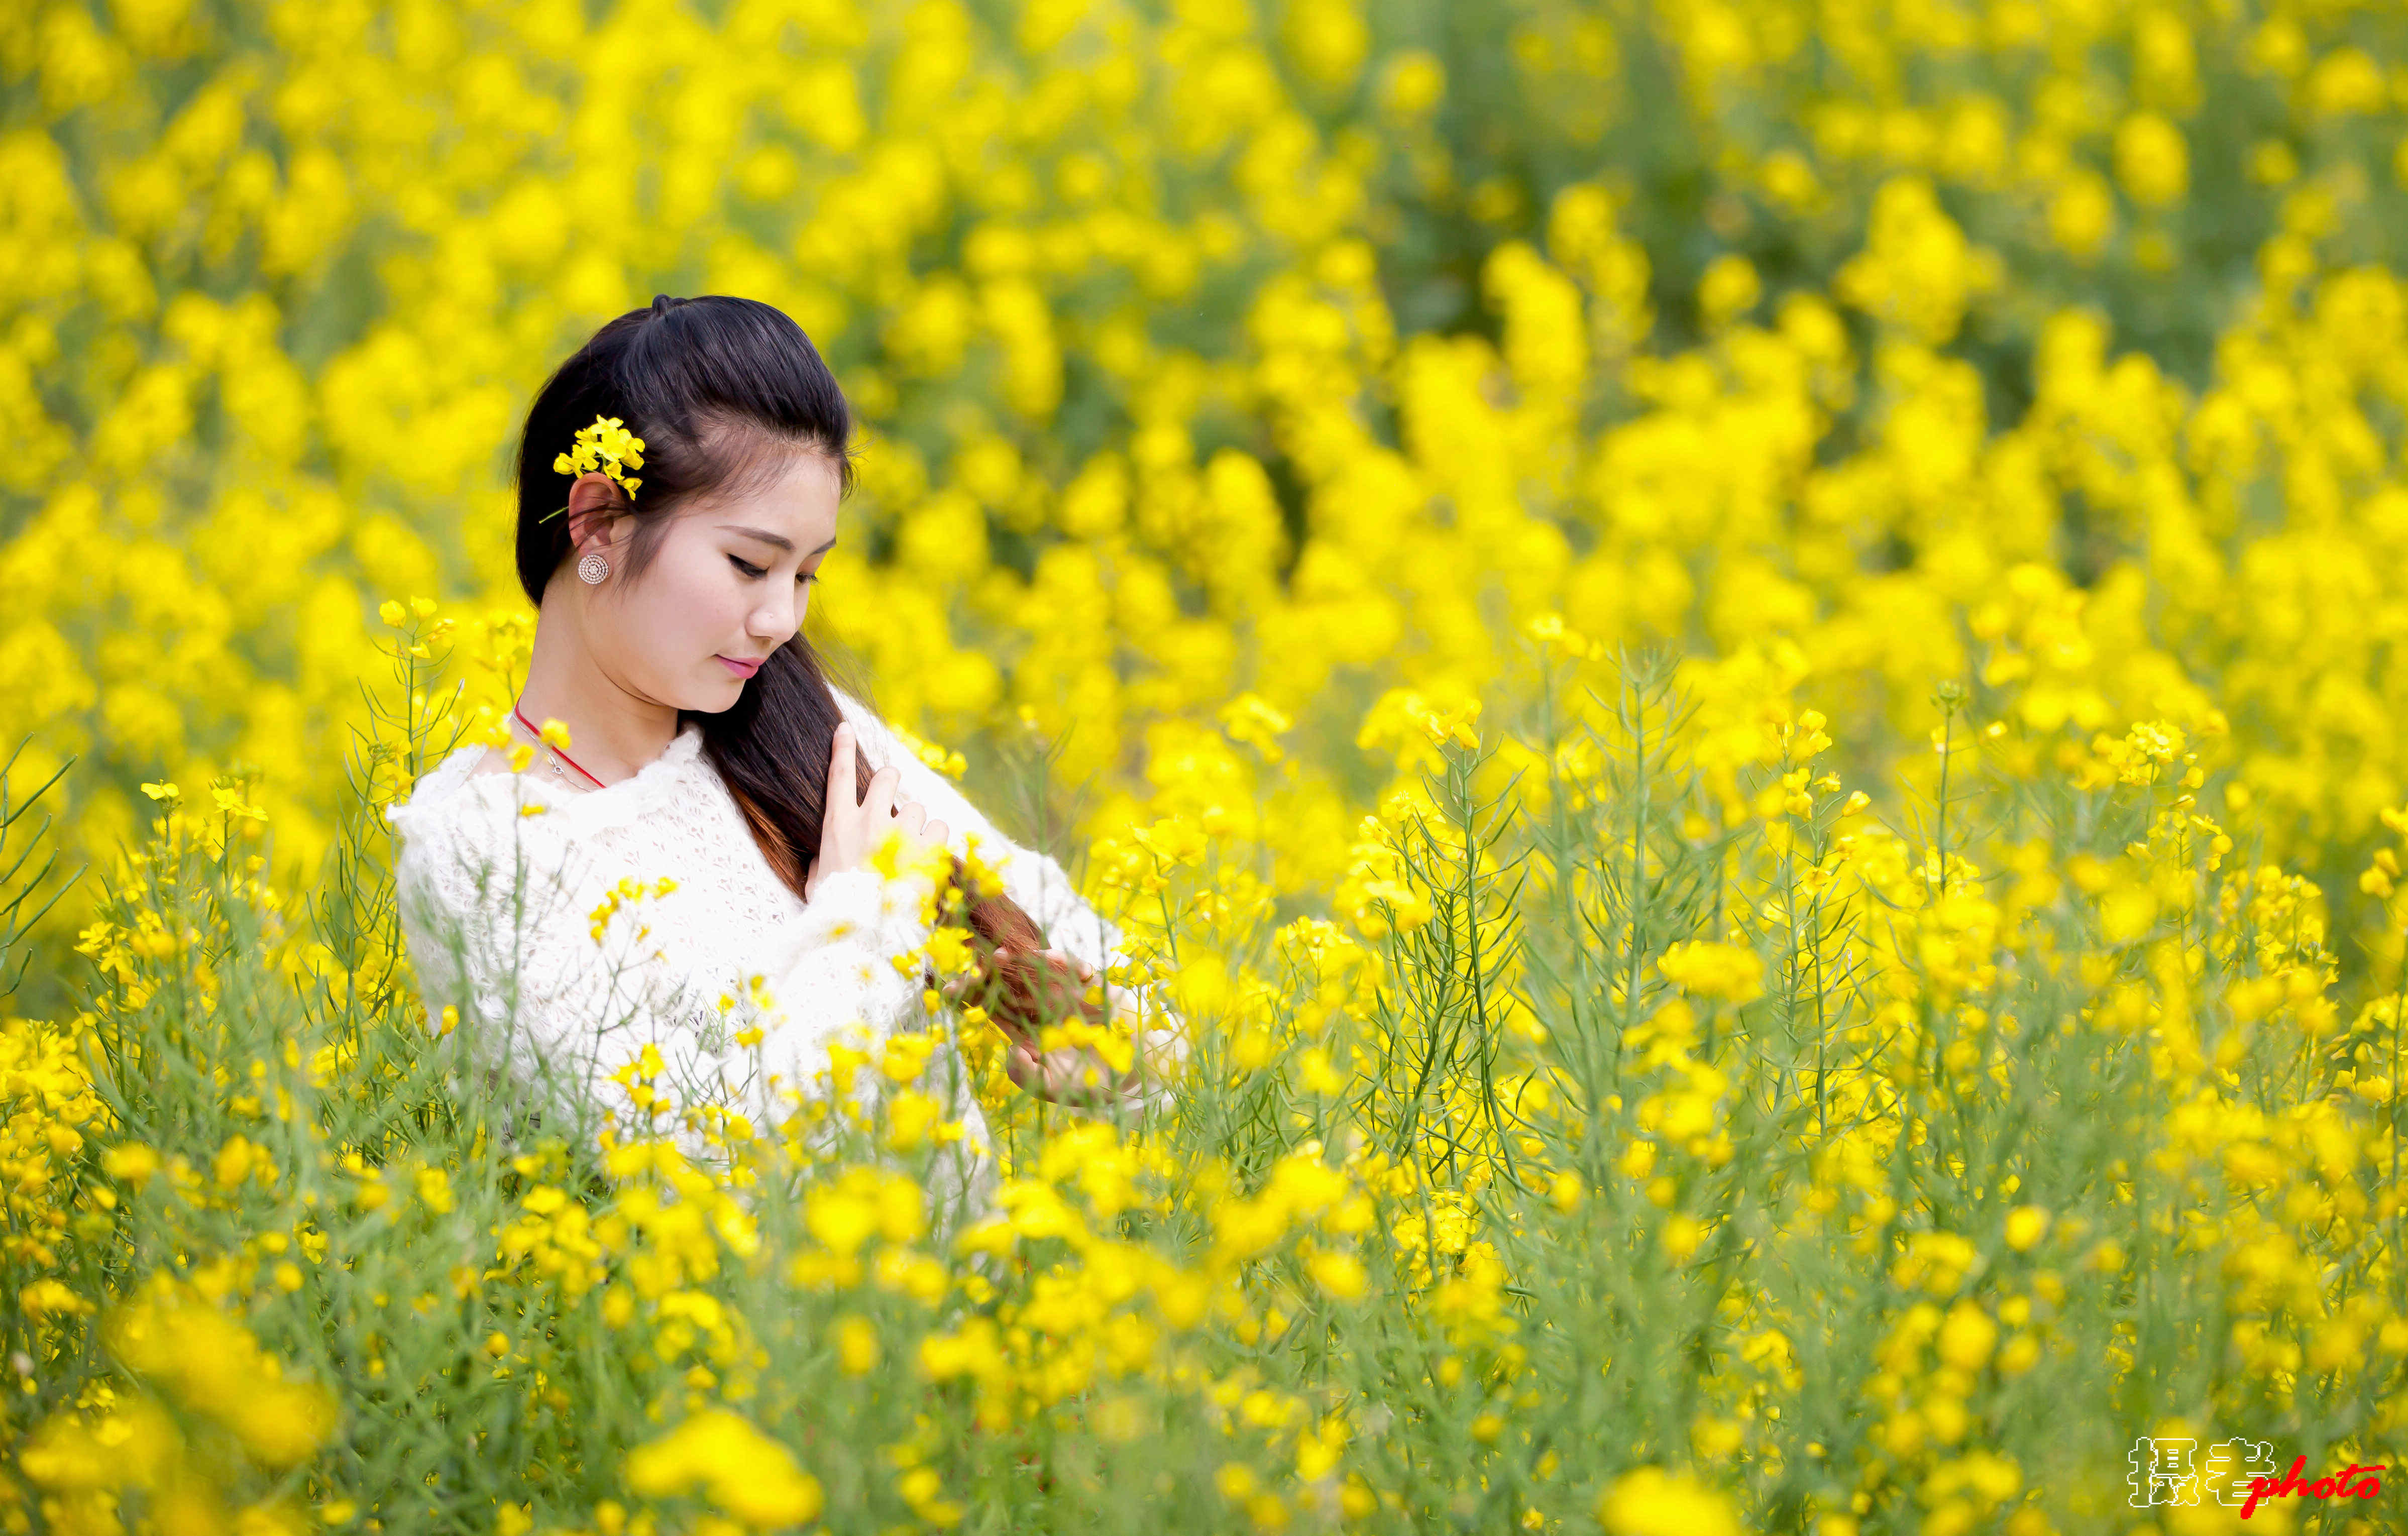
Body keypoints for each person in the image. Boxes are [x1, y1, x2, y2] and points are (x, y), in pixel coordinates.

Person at [384, 294, 1179, 1201]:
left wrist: (1115, 1056)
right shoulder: (481, 849)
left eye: (806, 573)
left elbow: (1102, 973)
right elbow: (695, 1161)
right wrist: (859, 918)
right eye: (747, 564)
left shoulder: (802, 728)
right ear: (597, 518)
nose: (780, 620)